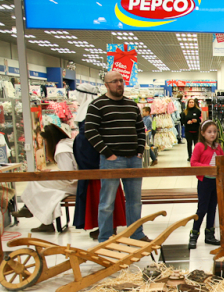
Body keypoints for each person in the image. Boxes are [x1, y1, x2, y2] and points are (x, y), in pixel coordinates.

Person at [85, 71, 149, 243]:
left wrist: (139, 151)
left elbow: (140, 129)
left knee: (135, 201)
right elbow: (90, 131)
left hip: (133, 159)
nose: (119, 84)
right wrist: (107, 153)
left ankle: (136, 234)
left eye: (121, 80)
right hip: (111, 160)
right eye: (114, 81)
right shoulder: (97, 105)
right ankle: (105, 238)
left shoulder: (131, 105)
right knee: (107, 203)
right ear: (106, 85)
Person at [72, 82, 127, 239]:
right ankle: (104, 225)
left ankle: (108, 226)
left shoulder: (91, 108)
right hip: (93, 159)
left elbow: (92, 135)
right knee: (102, 196)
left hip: (96, 160)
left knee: (103, 196)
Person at [11, 124, 77, 233]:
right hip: (75, 181)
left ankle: (28, 209)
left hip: (73, 184)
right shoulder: (67, 143)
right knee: (45, 190)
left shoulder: (61, 149)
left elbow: (67, 174)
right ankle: (46, 223)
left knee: (36, 182)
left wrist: (51, 173)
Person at [188, 120, 224, 249]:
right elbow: (194, 163)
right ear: (203, 133)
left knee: (212, 209)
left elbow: (222, 162)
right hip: (205, 181)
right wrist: (208, 168)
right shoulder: (199, 146)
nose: (212, 134)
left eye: (214, 131)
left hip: (216, 182)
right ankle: (194, 235)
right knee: (202, 209)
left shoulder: (218, 146)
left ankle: (210, 235)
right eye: (209, 132)